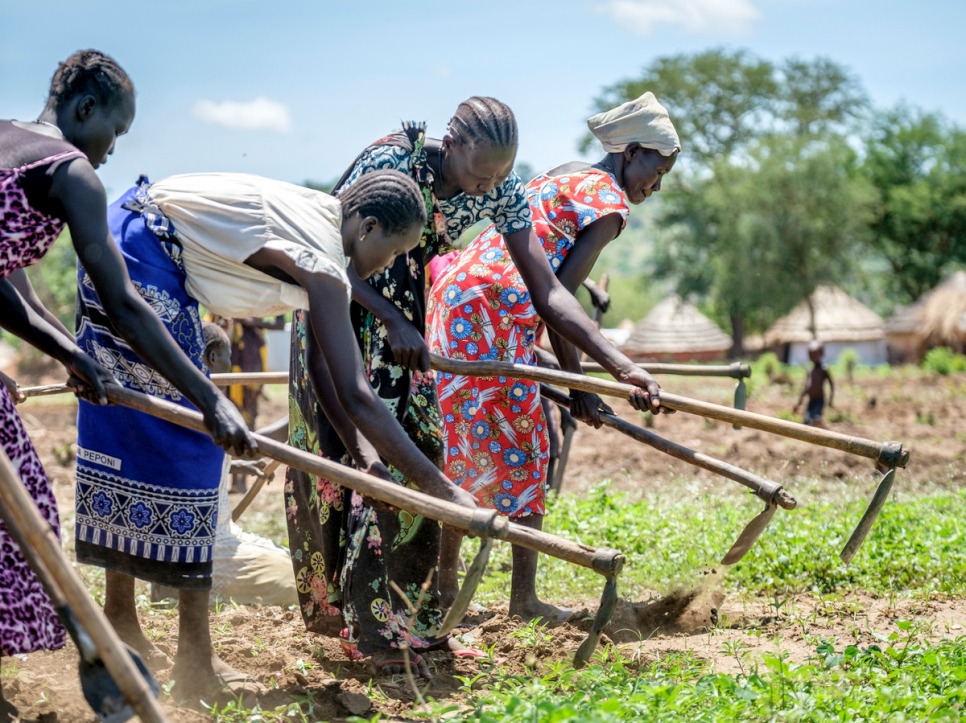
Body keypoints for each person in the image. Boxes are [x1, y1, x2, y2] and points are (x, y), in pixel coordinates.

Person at [74, 167, 475, 698]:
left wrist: (363, 456)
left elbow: (324, 377)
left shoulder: (319, 233)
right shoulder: (323, 259)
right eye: (397, 251)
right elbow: (359, 394)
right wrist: (442, 491)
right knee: (193, 443)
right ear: (368, 227)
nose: (395, 264)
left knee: (132, 429)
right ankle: (194, 667)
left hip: (119, 238)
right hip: (140, 259)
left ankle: (120, 622)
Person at [0, 50, 252, 719]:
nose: (114, 150)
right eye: (117, 130)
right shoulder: (71, 172)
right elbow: (123, 302)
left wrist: (69, 353)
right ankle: (96, 649)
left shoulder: (5, 141)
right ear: (86, 110)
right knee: (27, 521)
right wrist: (208, 398)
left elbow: (5, 281)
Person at [285, 98, 530, 672]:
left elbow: (542, 281)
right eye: (481, 171)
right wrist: (389, 317)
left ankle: (413, 626)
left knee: (419, 452)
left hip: (403, 342)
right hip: (339, 321)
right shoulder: (390, 162)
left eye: (499, 175)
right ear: (455, 142)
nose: (486, 185)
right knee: (351, 463)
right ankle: (366, 633)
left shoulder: (495, 188)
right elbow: (325, 256)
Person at [427, 92, 680, 621]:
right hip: (492, 309)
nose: (652, 189)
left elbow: (551, 302)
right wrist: (604, 378)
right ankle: (523, 601)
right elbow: (560, 300)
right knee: (527, 444)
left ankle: (444, 586)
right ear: (631, 151)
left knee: (463, 441)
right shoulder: (607, 206)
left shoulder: (565, 174)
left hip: (457, 296)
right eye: (655, 172)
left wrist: (578, 385)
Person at [150, 323, 298, 608]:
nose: (234, 364)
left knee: (288, 560)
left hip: (216, 536)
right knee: (297, 583)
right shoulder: (194, 409)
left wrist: (232, 466)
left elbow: (197, 459)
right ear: (212, 359)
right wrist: (300, 415)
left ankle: (171, 584)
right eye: (229, 356)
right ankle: (175, 588)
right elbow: (248, 443)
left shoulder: (177, 400)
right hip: (207, 546)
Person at [225, 315, 285, 493]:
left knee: (248, 421)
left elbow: (279, 323)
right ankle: (234, 479)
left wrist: (251, 321)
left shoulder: (257, 305)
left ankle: (242, 478)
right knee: (230, 420)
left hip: (250, 363)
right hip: (230, 363)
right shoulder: (224, 306)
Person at [794, 339, 834, 427]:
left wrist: (831, 400)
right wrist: (799, 403)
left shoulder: (823, 369)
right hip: (811, 400)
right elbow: (806, 387)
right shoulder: (810, 370)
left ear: (821, 354)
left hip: (819, 400)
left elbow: (831, 384)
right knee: (806, 421)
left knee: (815, 419)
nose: (813, 357)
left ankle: (822, 431)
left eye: (816, 354)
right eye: (811, 354)